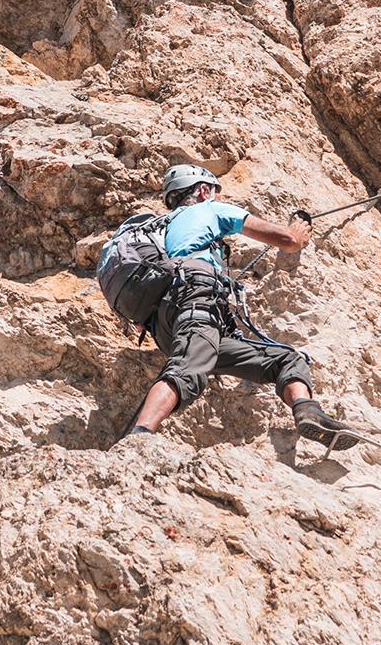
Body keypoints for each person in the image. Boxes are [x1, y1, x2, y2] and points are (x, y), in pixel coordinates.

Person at [124, 164, 361, 446]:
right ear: (202, 191)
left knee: (286, 359)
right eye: (214, 194)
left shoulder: (157, 230)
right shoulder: (208, 210)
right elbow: (287, 241)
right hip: (195, 300)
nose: (217, 200)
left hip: (165, 324)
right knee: (188, 367)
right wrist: (297, 231)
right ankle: (139, 437)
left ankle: (308, 411)